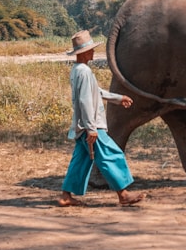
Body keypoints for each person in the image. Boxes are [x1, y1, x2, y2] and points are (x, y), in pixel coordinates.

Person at [58, 30, 144, 207]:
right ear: (83, 52)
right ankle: (123, 194)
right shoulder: (84, 72)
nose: (93, 52)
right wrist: (91, 128)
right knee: (111, 155)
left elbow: (95, 92)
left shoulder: (78, 70)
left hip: (82, 126)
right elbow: (85, 100)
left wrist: (118, 98)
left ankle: (66, 196)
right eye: (90, 49)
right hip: (91, 125)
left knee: (80, 161)